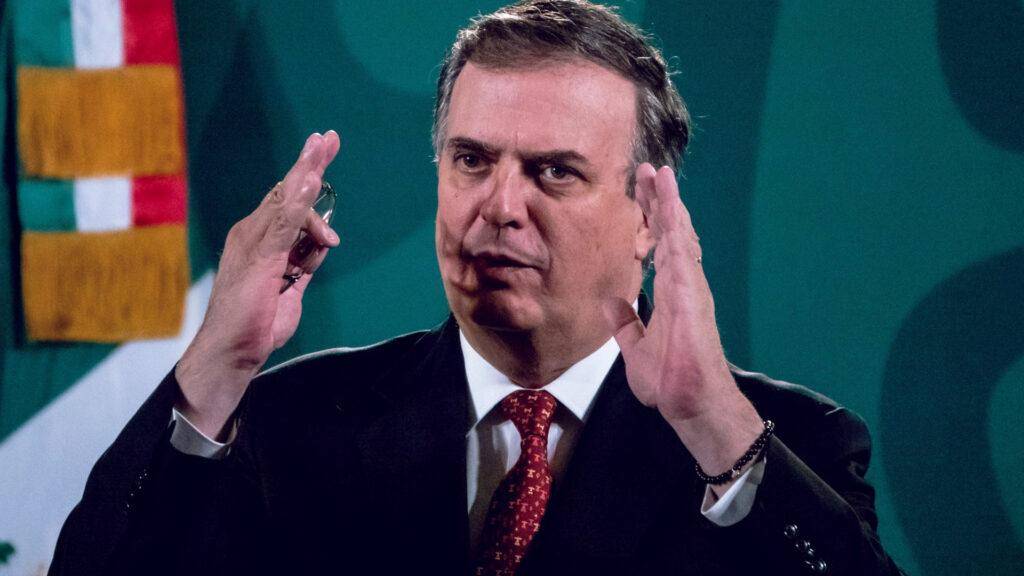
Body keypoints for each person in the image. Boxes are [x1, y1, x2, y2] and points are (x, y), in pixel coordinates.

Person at [49, 1, 903, 575]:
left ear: (649, 215)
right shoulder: (285, 423)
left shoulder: (783, 444)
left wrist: (712, 424)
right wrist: (214, 367)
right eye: (471, 160)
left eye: (554, 171)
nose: (498, 207)